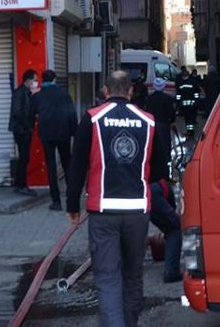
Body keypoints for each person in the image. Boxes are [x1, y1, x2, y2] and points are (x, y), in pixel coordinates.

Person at [67, 71, 155, 327]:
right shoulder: (148, 121)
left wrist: (72, 205)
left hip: (103, 211)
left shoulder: (92, 119)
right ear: (130, 91)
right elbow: (160, 167)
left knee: (107, 278)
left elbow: (77, 166)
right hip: (138, 211)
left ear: (105, 91)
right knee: (133, 276)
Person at [146, 78, 182, 284]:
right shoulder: (166, 103)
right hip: (153, 187)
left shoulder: (149, 105)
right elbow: (162, 162)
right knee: (174, 226)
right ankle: (171, 270)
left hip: (130, 190)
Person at [29, 69, 77, 210]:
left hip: (46, 134)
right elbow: (71, 114)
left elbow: (32, 114)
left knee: (51, 166)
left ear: (43, 80)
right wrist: (75, 133)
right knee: (67, 164)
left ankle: (56, 201)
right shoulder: (64, 94)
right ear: (55, 79)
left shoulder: (37, 96)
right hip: (63, 133)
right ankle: (71, 199)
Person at [9, 69, 38, 196]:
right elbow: (18, 112)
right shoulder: (20, 93)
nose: (36, 82)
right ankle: (21, 185)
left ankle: (20, 184)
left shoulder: (27, 93)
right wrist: (27, 126)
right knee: (24, 157)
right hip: (21, 130)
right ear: (28, 80)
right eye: (34, 79)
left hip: (24, 129)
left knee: (24, 157)